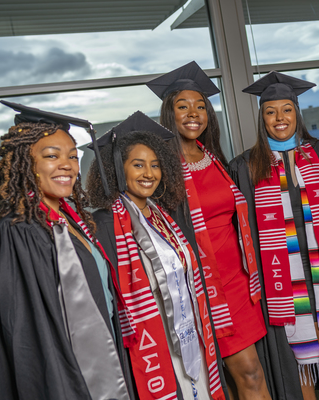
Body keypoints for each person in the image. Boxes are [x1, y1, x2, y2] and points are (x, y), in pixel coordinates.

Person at [0, 101, 133, 400]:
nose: (68, 165)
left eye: (73, 156)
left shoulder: (72, 222)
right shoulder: (18, 232)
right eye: (52, 156)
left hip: (103, 359)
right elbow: (26, 334)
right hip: (63, 375)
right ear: (27, 162)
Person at [229, 71, 319, 400]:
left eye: (287, 109)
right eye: (271, 111)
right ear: (262, 117)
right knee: (300, 362)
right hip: (281, 276)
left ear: (297, 112)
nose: (280, 118)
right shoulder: (247, 165)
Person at [146, 62, 270, 400]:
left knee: (242, 378)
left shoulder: (212, 156)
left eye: (201, 106)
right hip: (205, 286)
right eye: (182, 106)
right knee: (250, 375)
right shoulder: (164, 168)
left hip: (240, 280)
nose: (193, 113)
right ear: (169, 113)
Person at [86, 111, 228, 400]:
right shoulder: (105, 224)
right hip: (151, 340)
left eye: (155, 165)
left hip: (188, 331)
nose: (149, 173)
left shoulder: (163, 216)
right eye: (138, 165)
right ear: (117, 169)